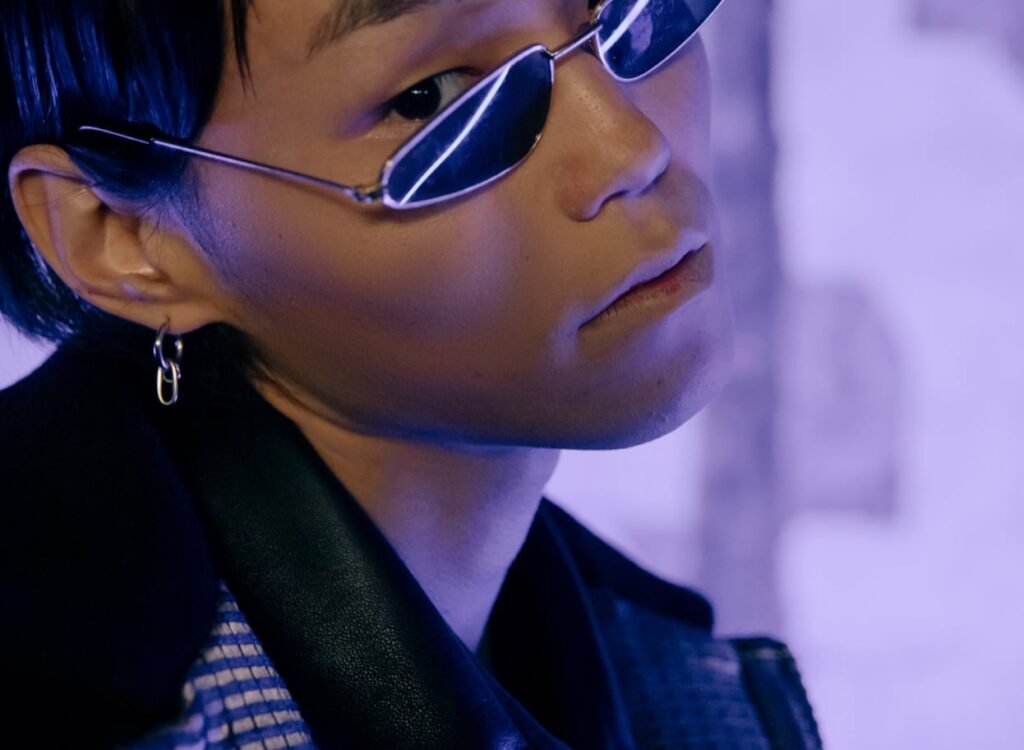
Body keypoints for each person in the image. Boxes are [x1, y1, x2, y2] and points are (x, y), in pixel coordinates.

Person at [0, 0, 822, 748]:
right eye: (433, 98)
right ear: (122, 238)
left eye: (625, 12)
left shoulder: (675, 678)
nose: (630, 147)